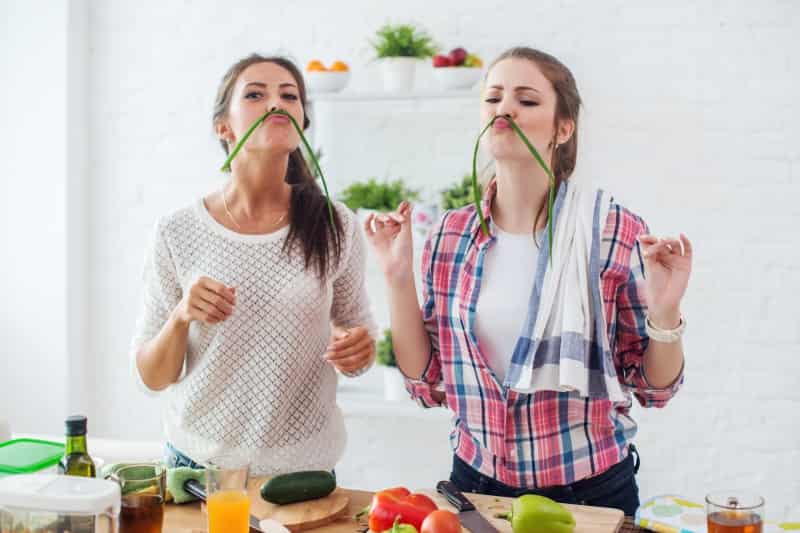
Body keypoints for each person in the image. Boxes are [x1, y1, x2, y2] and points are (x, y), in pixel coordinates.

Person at [365, 47, 692, 515]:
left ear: (563, 129)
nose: (505, 109)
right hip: (475, 486)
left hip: (590, 495)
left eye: (527, 100)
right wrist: (397, 279)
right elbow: (427, 380)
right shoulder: (451, 234)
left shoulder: (612, 231)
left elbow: (653, 388)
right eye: (493, 98)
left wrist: (665, 313)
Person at [130, 54, 377, 475]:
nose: (276, 103)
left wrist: (358, 350)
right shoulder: (176, 230)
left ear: (302, 124)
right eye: (255, 95)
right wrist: (182, 315)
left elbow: (358, 336)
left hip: (304, 471)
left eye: (289, 96)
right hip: (197, 466)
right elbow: (153, 377)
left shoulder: (336, 224)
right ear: (223, 127)